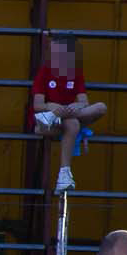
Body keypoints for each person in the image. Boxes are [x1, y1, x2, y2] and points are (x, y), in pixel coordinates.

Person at [30, 31, 107, 195]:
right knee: (72, 123)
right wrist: (52, 107)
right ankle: (64, 173)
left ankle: (64, 175)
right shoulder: (45, 72)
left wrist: (73, 107)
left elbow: (84, 102)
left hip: (66, 119)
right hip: (48, 119)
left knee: (100, 107)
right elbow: (37, 105)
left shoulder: (76, 73)